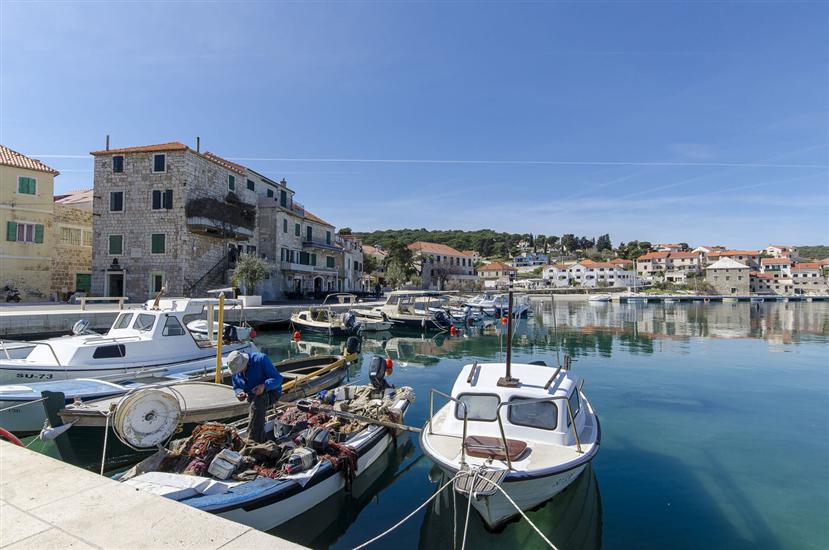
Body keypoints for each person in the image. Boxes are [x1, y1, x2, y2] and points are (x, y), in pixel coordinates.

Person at [228, 350, 283, 443]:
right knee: (255, 409)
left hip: (271, 391)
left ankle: (254, 440)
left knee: (258, 404)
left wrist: (264, 386)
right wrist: (239, 392)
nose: (240, 372)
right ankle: (257, 433)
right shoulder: (236, 369)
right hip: (252, 395)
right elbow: (237, 386)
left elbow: (278, 379)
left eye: (241, 369)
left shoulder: (261, 359)